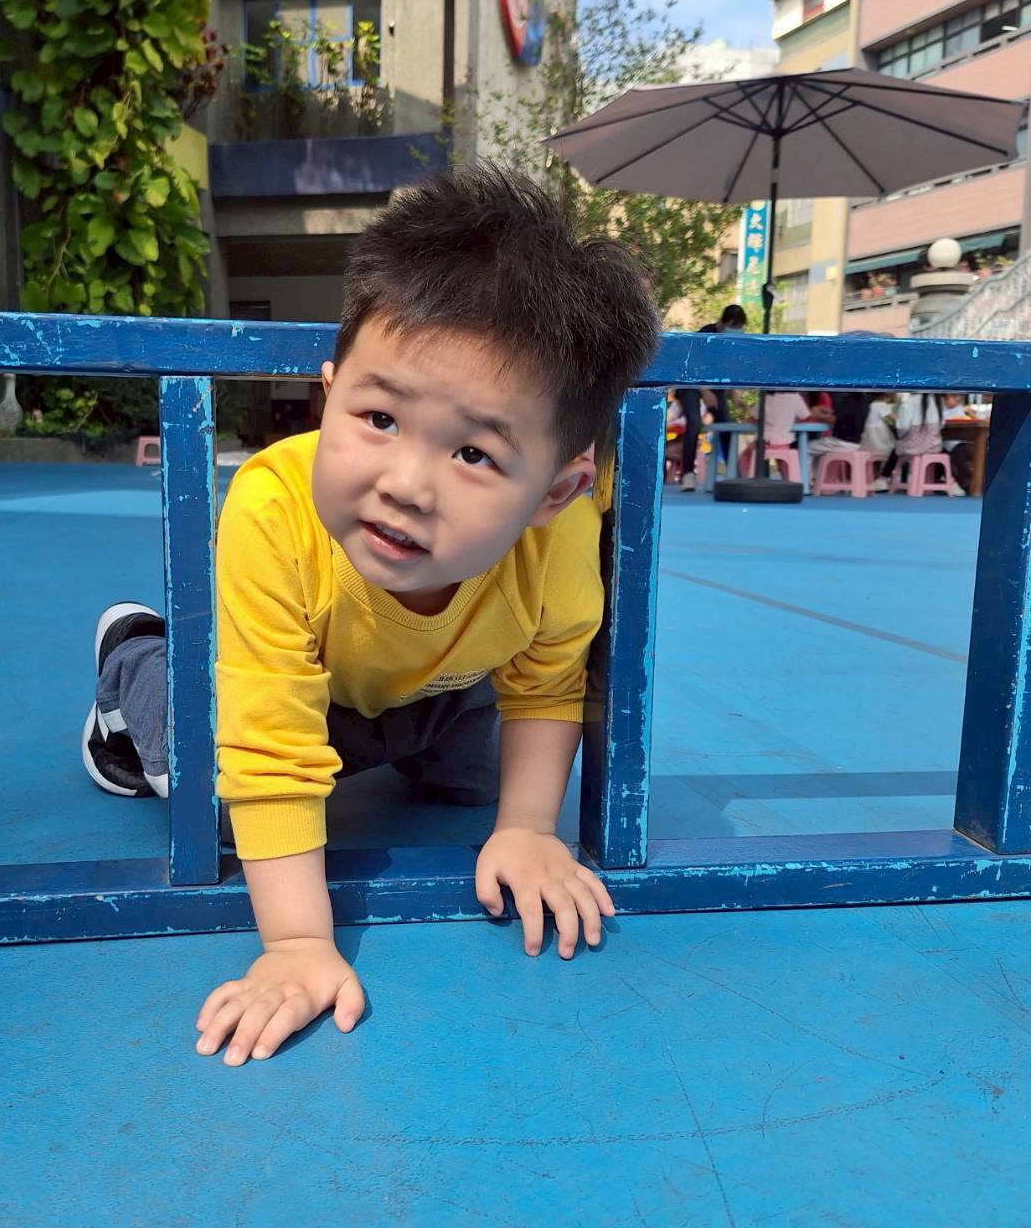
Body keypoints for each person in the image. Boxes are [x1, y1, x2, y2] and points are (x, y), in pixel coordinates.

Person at [80, 166, 661, 1066]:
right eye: (380, 417)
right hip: (285, 686)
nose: (406, 484)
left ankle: (403, 745)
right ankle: (133, 658)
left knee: (480, 783)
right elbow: (272, 744)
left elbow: (547, 683)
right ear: (329, 393)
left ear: (555, 492)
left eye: (474, 453)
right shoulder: (274, 508)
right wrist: (297, 943)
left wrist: (528, 829)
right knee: (220, 800)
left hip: (429, 688)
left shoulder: (564, 540)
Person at [676, 304, 745, 490]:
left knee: (726, 423)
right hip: (691, 383)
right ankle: (688, 473)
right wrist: (705, 391)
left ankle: (733, 471)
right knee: (694, 424)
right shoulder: (706, 333)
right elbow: (692, 365)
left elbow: (728, 370)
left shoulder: (732, 342)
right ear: (722, 323)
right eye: (733, 326)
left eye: (739, 328)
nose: (736, 331)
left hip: (714, 385)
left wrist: (734, 394)